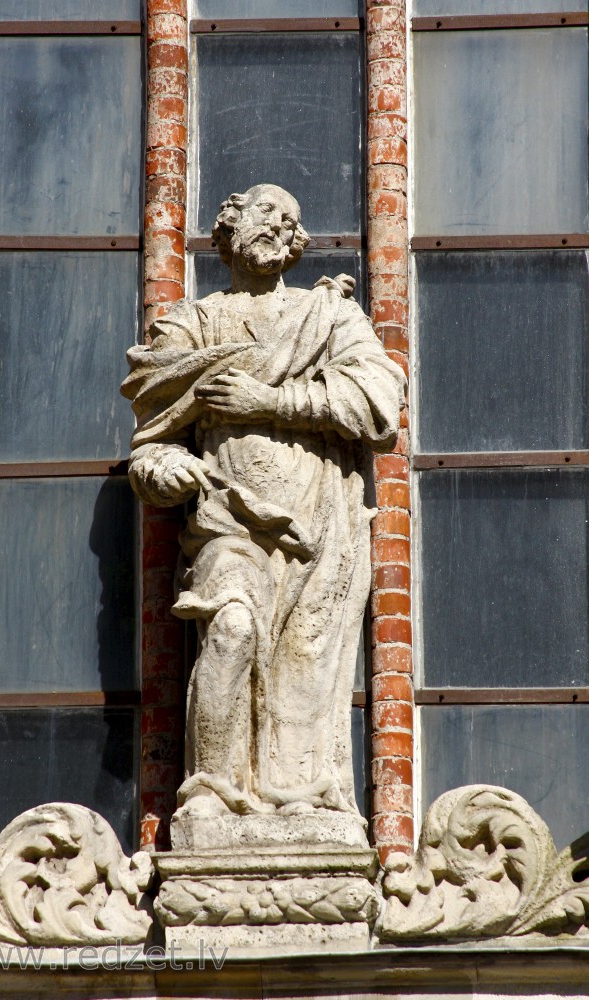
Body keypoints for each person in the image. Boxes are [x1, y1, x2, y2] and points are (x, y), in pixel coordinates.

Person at [122, 184, 406, 822]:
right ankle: (211, 793)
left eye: (292, 219)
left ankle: (301, 798)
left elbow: (379, 403)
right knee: (231, 627)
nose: (281, 226)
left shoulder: (328, 316)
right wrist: (167, 472)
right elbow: (150, 437)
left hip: (319, 526)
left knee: (306, 661)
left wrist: (269, 403)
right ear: (229, 226)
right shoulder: (190, 326)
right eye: (267, 212)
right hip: (227, 519)